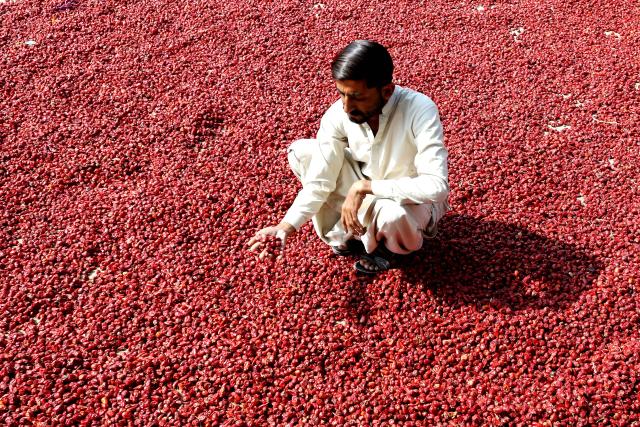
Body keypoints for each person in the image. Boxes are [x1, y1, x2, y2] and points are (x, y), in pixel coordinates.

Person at [248, 40, 450, 274]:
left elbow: (436, 187)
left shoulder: (419, 109)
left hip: (409, 200)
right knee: (304, 152)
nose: (346, 106)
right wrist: (285, 226)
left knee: (393, 216)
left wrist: (364, 187)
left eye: (356, 97)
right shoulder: (338, 115)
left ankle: (390, 249)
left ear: (387, 91)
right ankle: (351, 234)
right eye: (341, 94)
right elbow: (319, 181)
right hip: (366, 184)